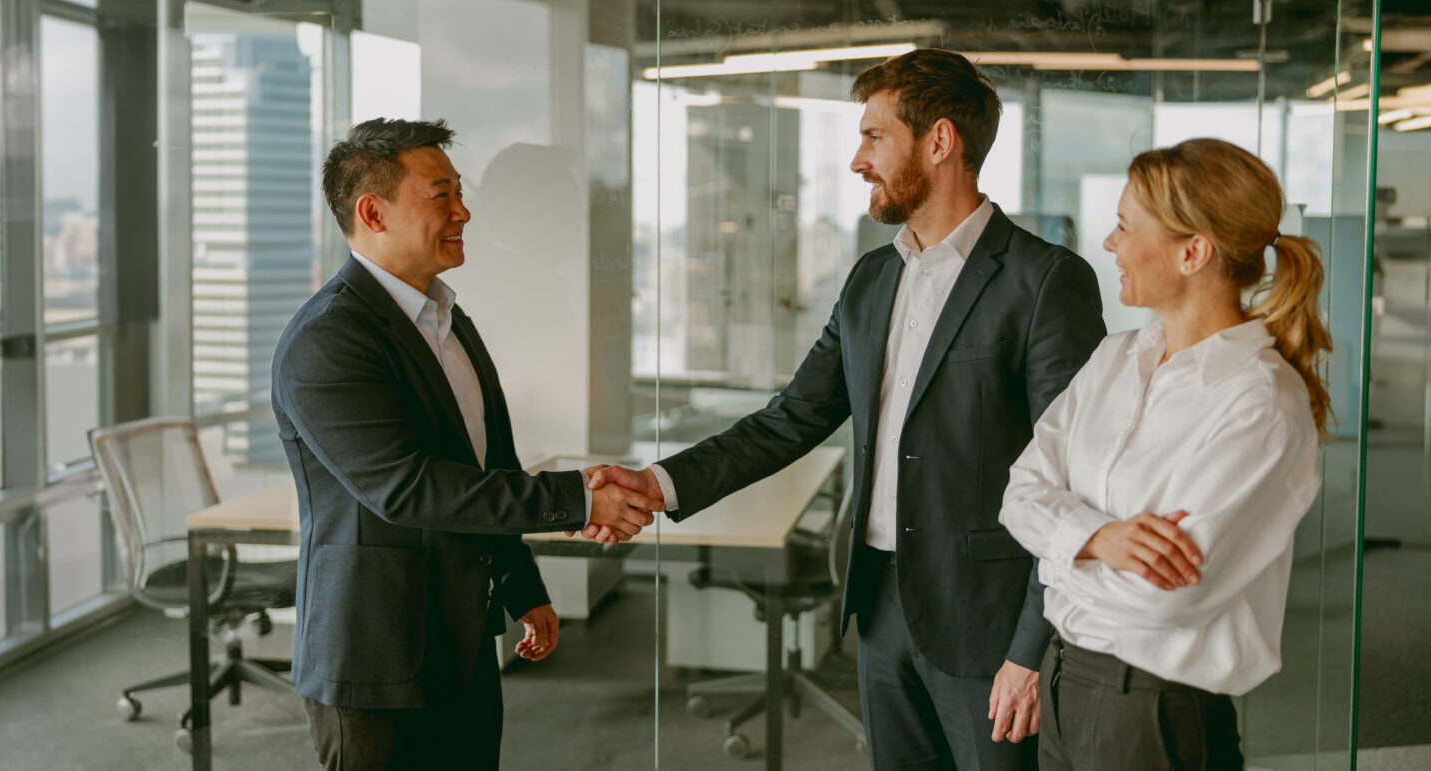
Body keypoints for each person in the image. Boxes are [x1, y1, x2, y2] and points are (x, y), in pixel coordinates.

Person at [587, 49, 1106, 771]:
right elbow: (791, 416)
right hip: (881, 605)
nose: (857, 160)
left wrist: (1033, 645)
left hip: (987, 621)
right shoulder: (871, 279)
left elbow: (1077, 477)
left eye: (873, 137)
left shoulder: (1046, 282)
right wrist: (661, 483)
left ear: (939, 142)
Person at [270, 118, 661, 770]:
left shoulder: (449, 321)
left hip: (463, 641)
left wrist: (521, 583)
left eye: (459, 192)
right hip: (377, 659)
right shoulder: (328, 338)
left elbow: (488, 465)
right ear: (373, 212)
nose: (464, 211)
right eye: (441, 194)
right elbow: (408, 486)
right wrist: (580, 500)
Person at [997, 137, 1332, 770]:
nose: (1109, 243)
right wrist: (1101, 540)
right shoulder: (1116, 359)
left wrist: (1059, 547)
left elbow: (1168, 597)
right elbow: (1018, 496)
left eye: (1125, 226)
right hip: (1066, 683)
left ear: (1193, 251)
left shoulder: (1260, 402)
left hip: (1153, 711)